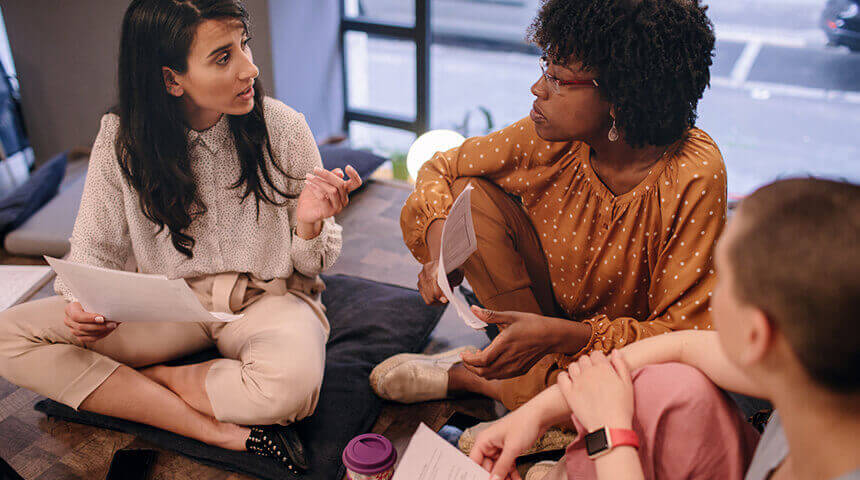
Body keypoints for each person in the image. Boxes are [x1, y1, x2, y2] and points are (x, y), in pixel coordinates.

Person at [0, 0, 361, 472]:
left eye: (244, 44)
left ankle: (142, 385)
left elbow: (313, 262)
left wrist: (310, 222)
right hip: (167, 304)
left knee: (289, 391)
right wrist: (80, 304)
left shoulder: (283, 127)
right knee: (8, 337)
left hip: (269, 298)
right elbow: (93, 247)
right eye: (223, 56)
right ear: (171, 79)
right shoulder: (121, 140)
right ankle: (208, 428)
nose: (250, 67)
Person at [372, 0, 725, 411]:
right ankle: (547, 398)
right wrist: (439, 254)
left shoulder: (694, 174)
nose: (538, 88)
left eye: (558, 79)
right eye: (546, 68)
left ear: (623, 95)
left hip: (629, 353)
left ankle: (489, 382)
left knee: (674, 393)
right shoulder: (549, 136)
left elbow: (683, 337)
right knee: (470, 192)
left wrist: (561, 336)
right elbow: (440, 167)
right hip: (540, 319)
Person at [470, 178, 860, 480]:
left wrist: (608, 432)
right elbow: (683, 346)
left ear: (757, 336)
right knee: (667, 386)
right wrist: (533, 414)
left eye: (721, 280)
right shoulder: (812, 375)